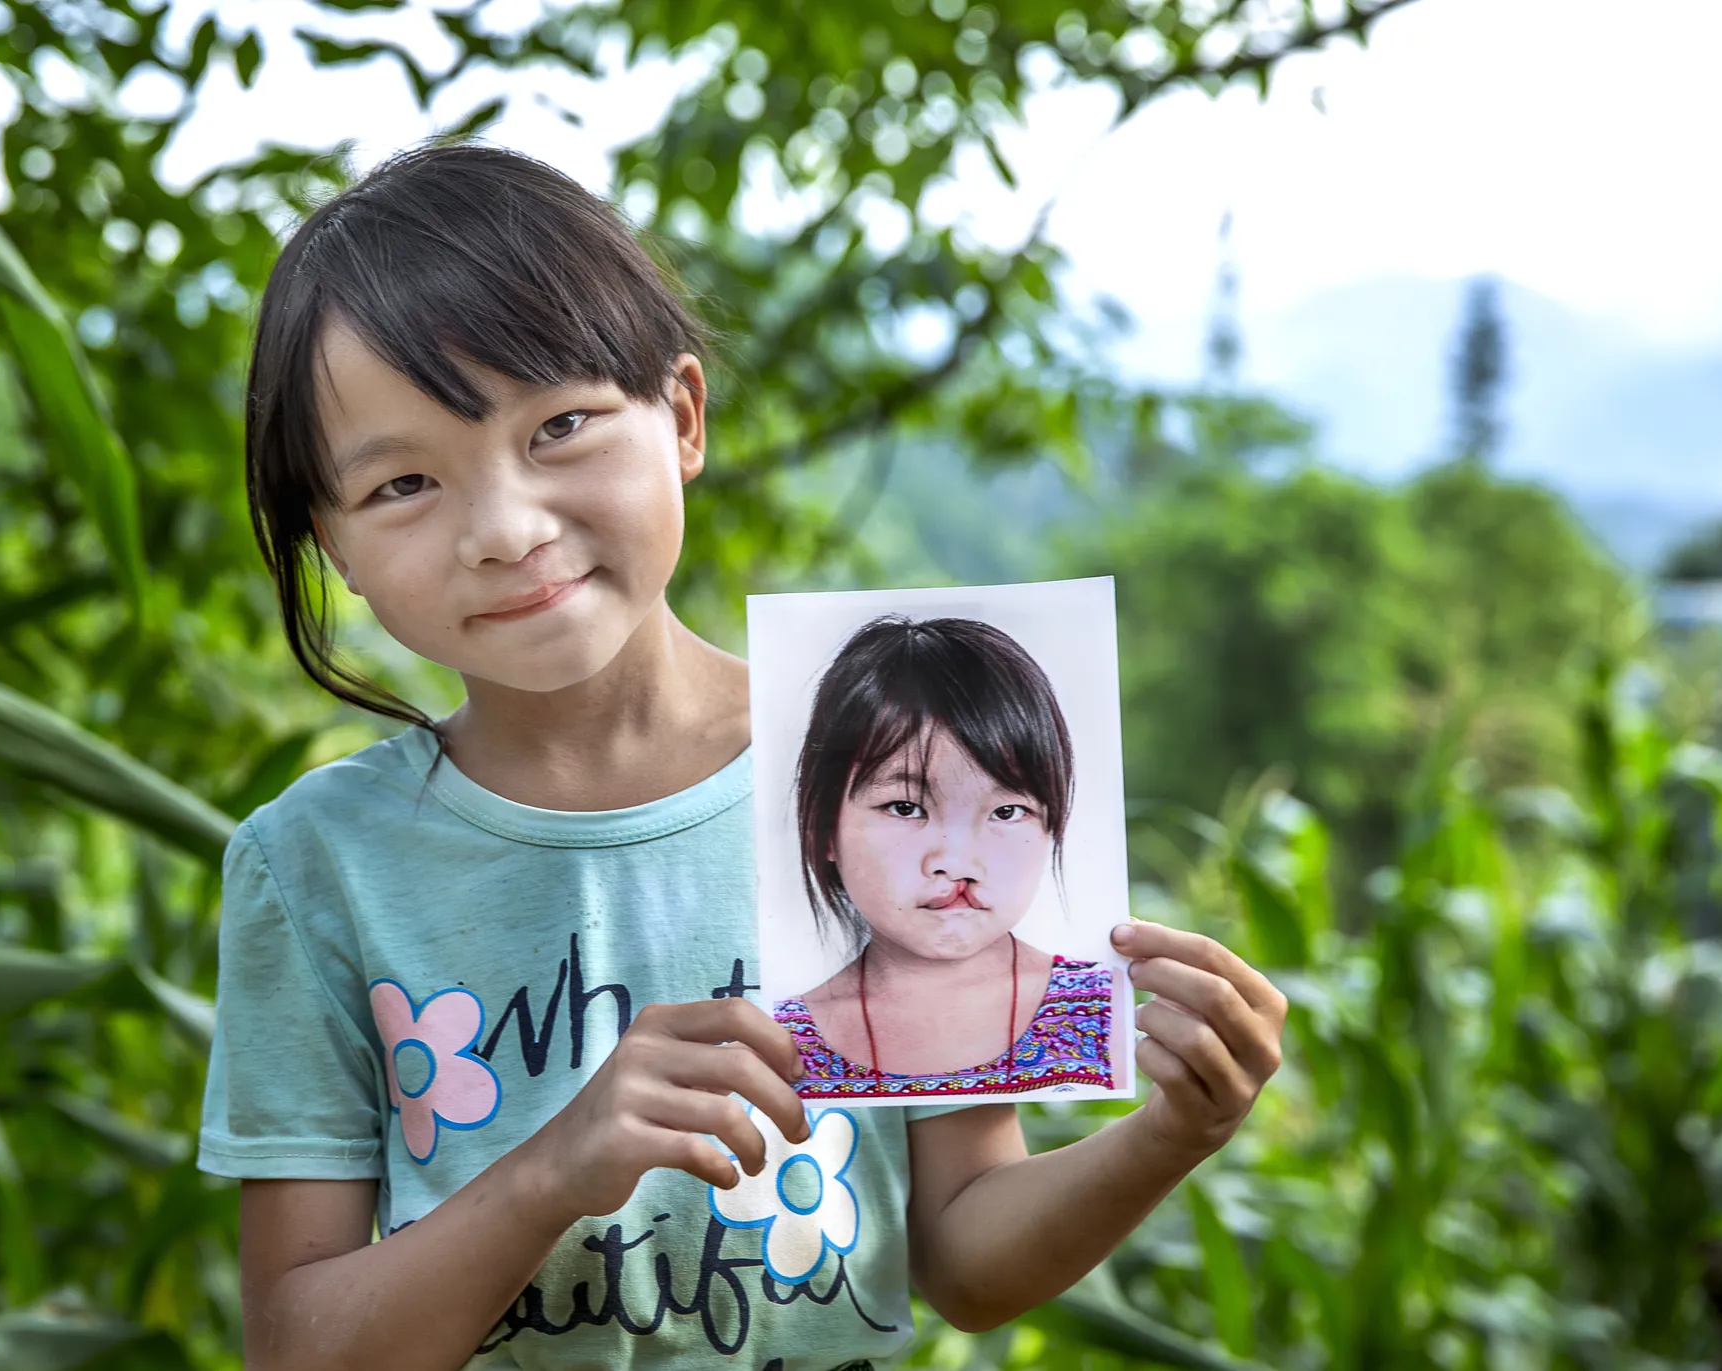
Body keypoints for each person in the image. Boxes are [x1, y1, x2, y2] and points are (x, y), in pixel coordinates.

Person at [199, 138, 1289, 1370]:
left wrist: (1172, 1130)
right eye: (402, 483)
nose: (503, 528)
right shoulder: (315, 867)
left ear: (681, 416)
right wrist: (555, 1170)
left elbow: (964, 1255)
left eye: (559, 424)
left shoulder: (885, 787)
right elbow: (298, 1350)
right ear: (330, 546)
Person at [775, 615, 1117, 1101]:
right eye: (905, 807)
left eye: (1006, 811)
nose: (955, 862)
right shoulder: (778, 1043)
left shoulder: (1104, 1010)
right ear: (824, 829)